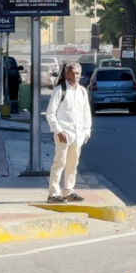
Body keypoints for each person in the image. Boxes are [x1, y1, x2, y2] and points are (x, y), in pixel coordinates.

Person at [44, 62, 91, 204]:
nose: (74, 76)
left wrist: (86, 131)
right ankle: (53, 193)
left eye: (77, 73)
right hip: (64, 134)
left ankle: (68, 191)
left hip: (78, 134)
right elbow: (50, 113)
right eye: (71, 73)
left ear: (80, 75)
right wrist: (58, 130)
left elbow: (86, 113)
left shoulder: (82, 91)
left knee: (73, 164)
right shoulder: (60, 90)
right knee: (59, 163)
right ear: (66, 74)